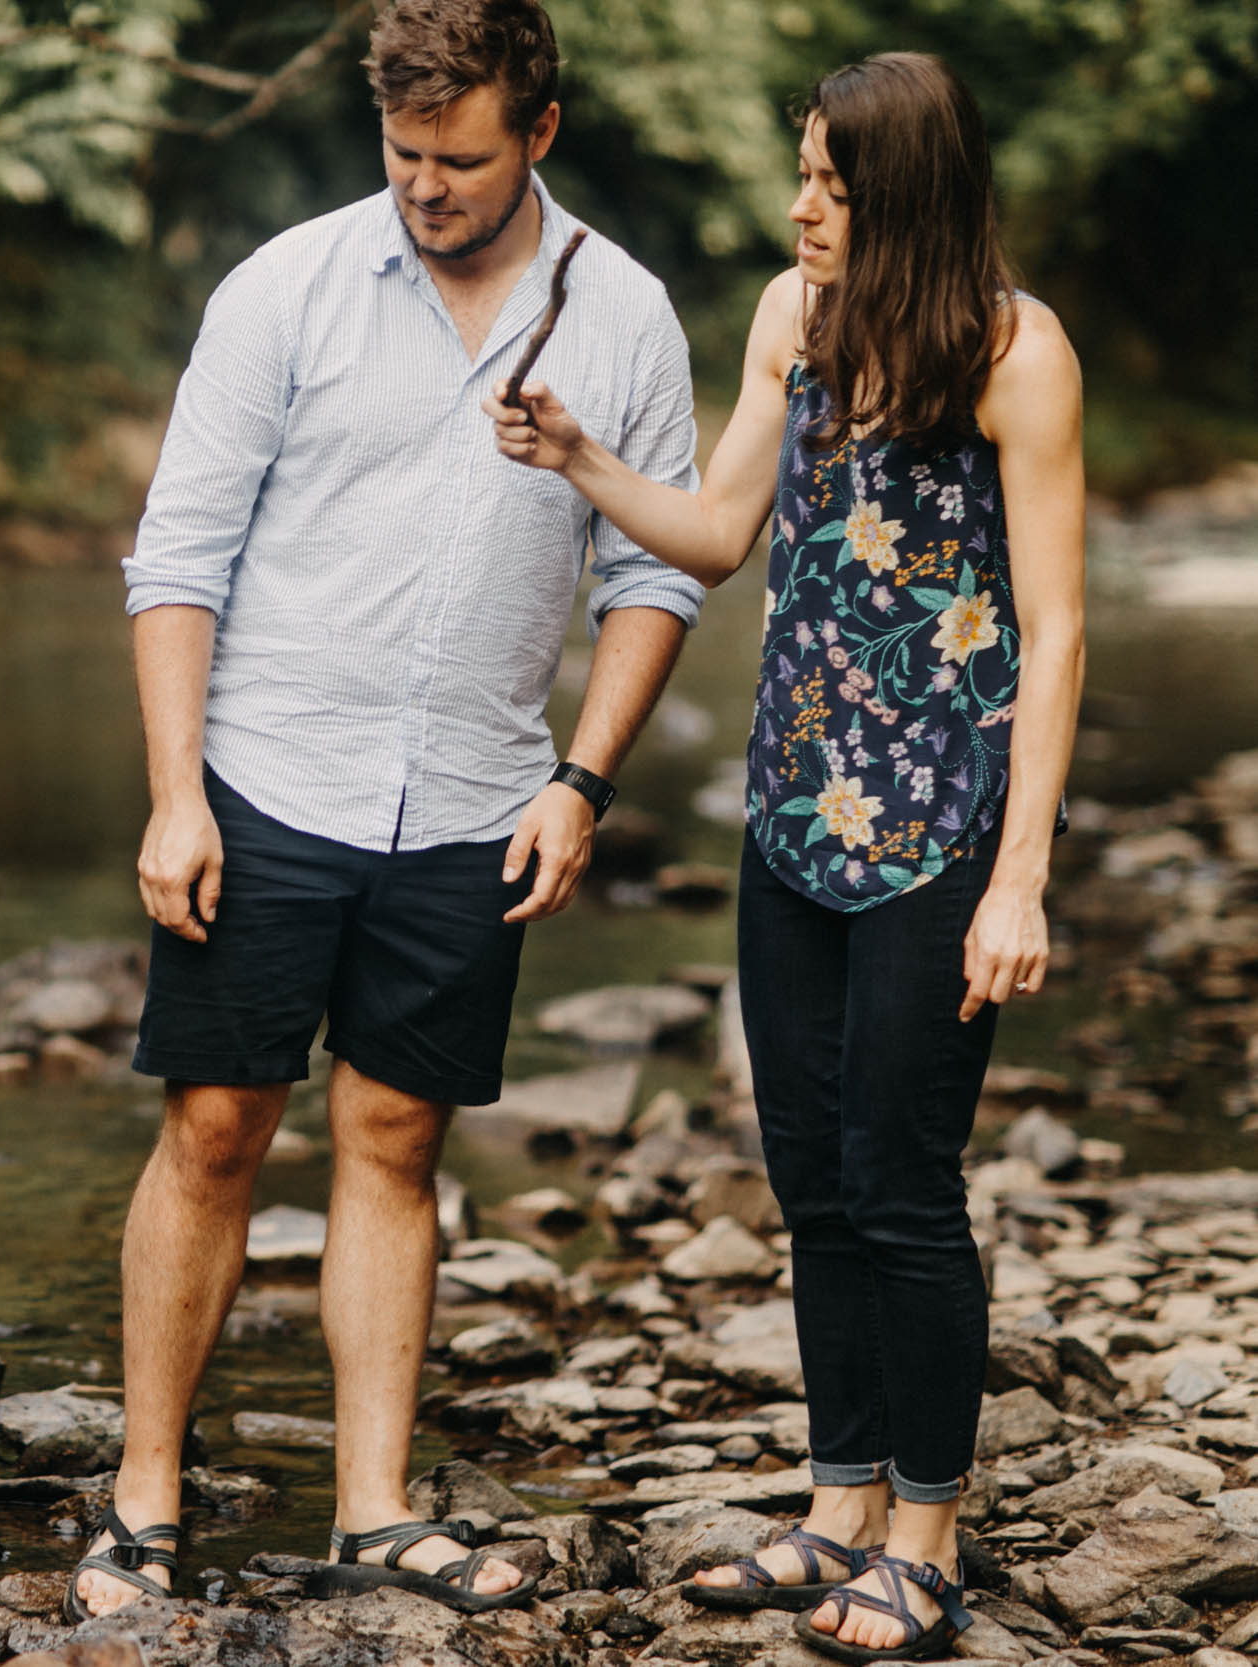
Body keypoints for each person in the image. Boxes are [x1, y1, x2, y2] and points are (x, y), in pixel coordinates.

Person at [69, 0, 708, 1622]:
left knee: (396, 1137)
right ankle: (144, 1488)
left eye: (463, 158)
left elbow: (653, 575)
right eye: (405, 153)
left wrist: (584, 782)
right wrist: (173, 797)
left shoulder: (622, 317)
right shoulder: (286, 284)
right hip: (268, 771)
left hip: (481, 793)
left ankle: (372, 1506)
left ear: (540, 136)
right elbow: (178, 554)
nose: (426, 185)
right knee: (216, 1126)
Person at [484, 50, 1086, 1664]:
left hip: (943, 829)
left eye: (828, 180)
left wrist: (1020, 872)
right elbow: (718, 529)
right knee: (814, 1181)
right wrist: (583, 464)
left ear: (901, 194)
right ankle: (836, 1506)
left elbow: (1061, 627)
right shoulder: (788, 319)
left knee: (904, 1184)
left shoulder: (1018, 356)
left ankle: (930, 1536)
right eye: (801, 172)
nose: (800, 203)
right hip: (794, 813)